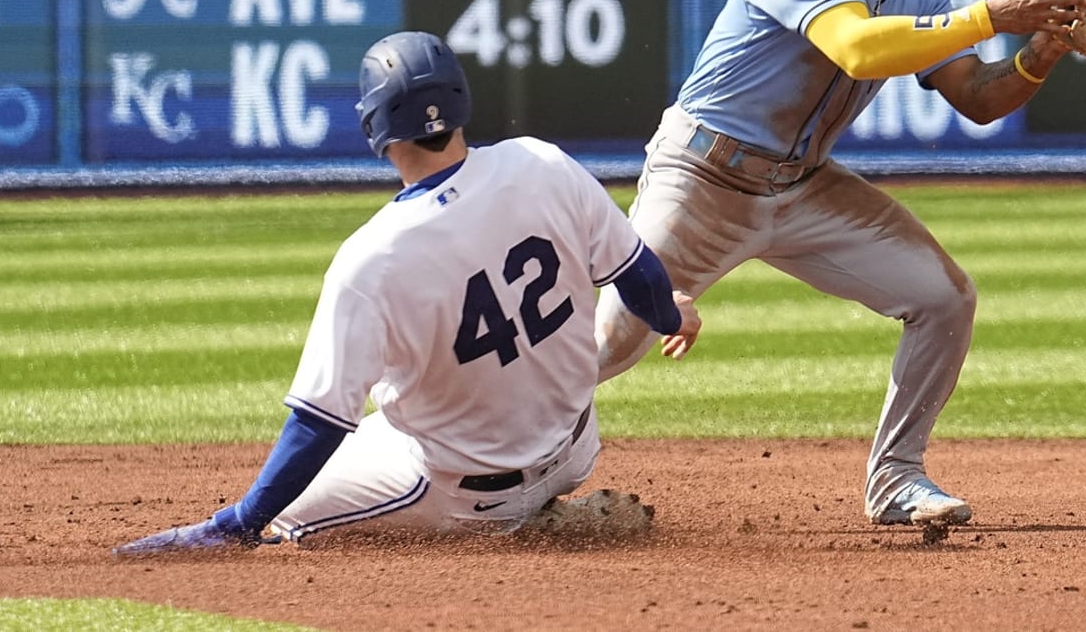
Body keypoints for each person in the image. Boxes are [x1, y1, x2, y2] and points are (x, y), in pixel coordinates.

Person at [594, 0, 1086, 527]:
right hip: (704, 176)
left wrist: (1043, 51)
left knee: (944, 300)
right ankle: (488, 456)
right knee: (610, 340)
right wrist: (993, 15)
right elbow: (857, 50)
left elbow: (981, 98)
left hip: (802, 183)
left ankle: (898, 479)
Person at [115, 31, 700, 554]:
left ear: (374, 126)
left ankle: (528, 527)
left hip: (464, 494)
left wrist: (239, 521)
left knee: (287, 516)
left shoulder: (372, 259)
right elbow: (642, 277)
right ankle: (536, 504)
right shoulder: (543, 162)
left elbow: (319, 423)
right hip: (576, 447)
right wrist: (671, 316)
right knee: (387, 425)